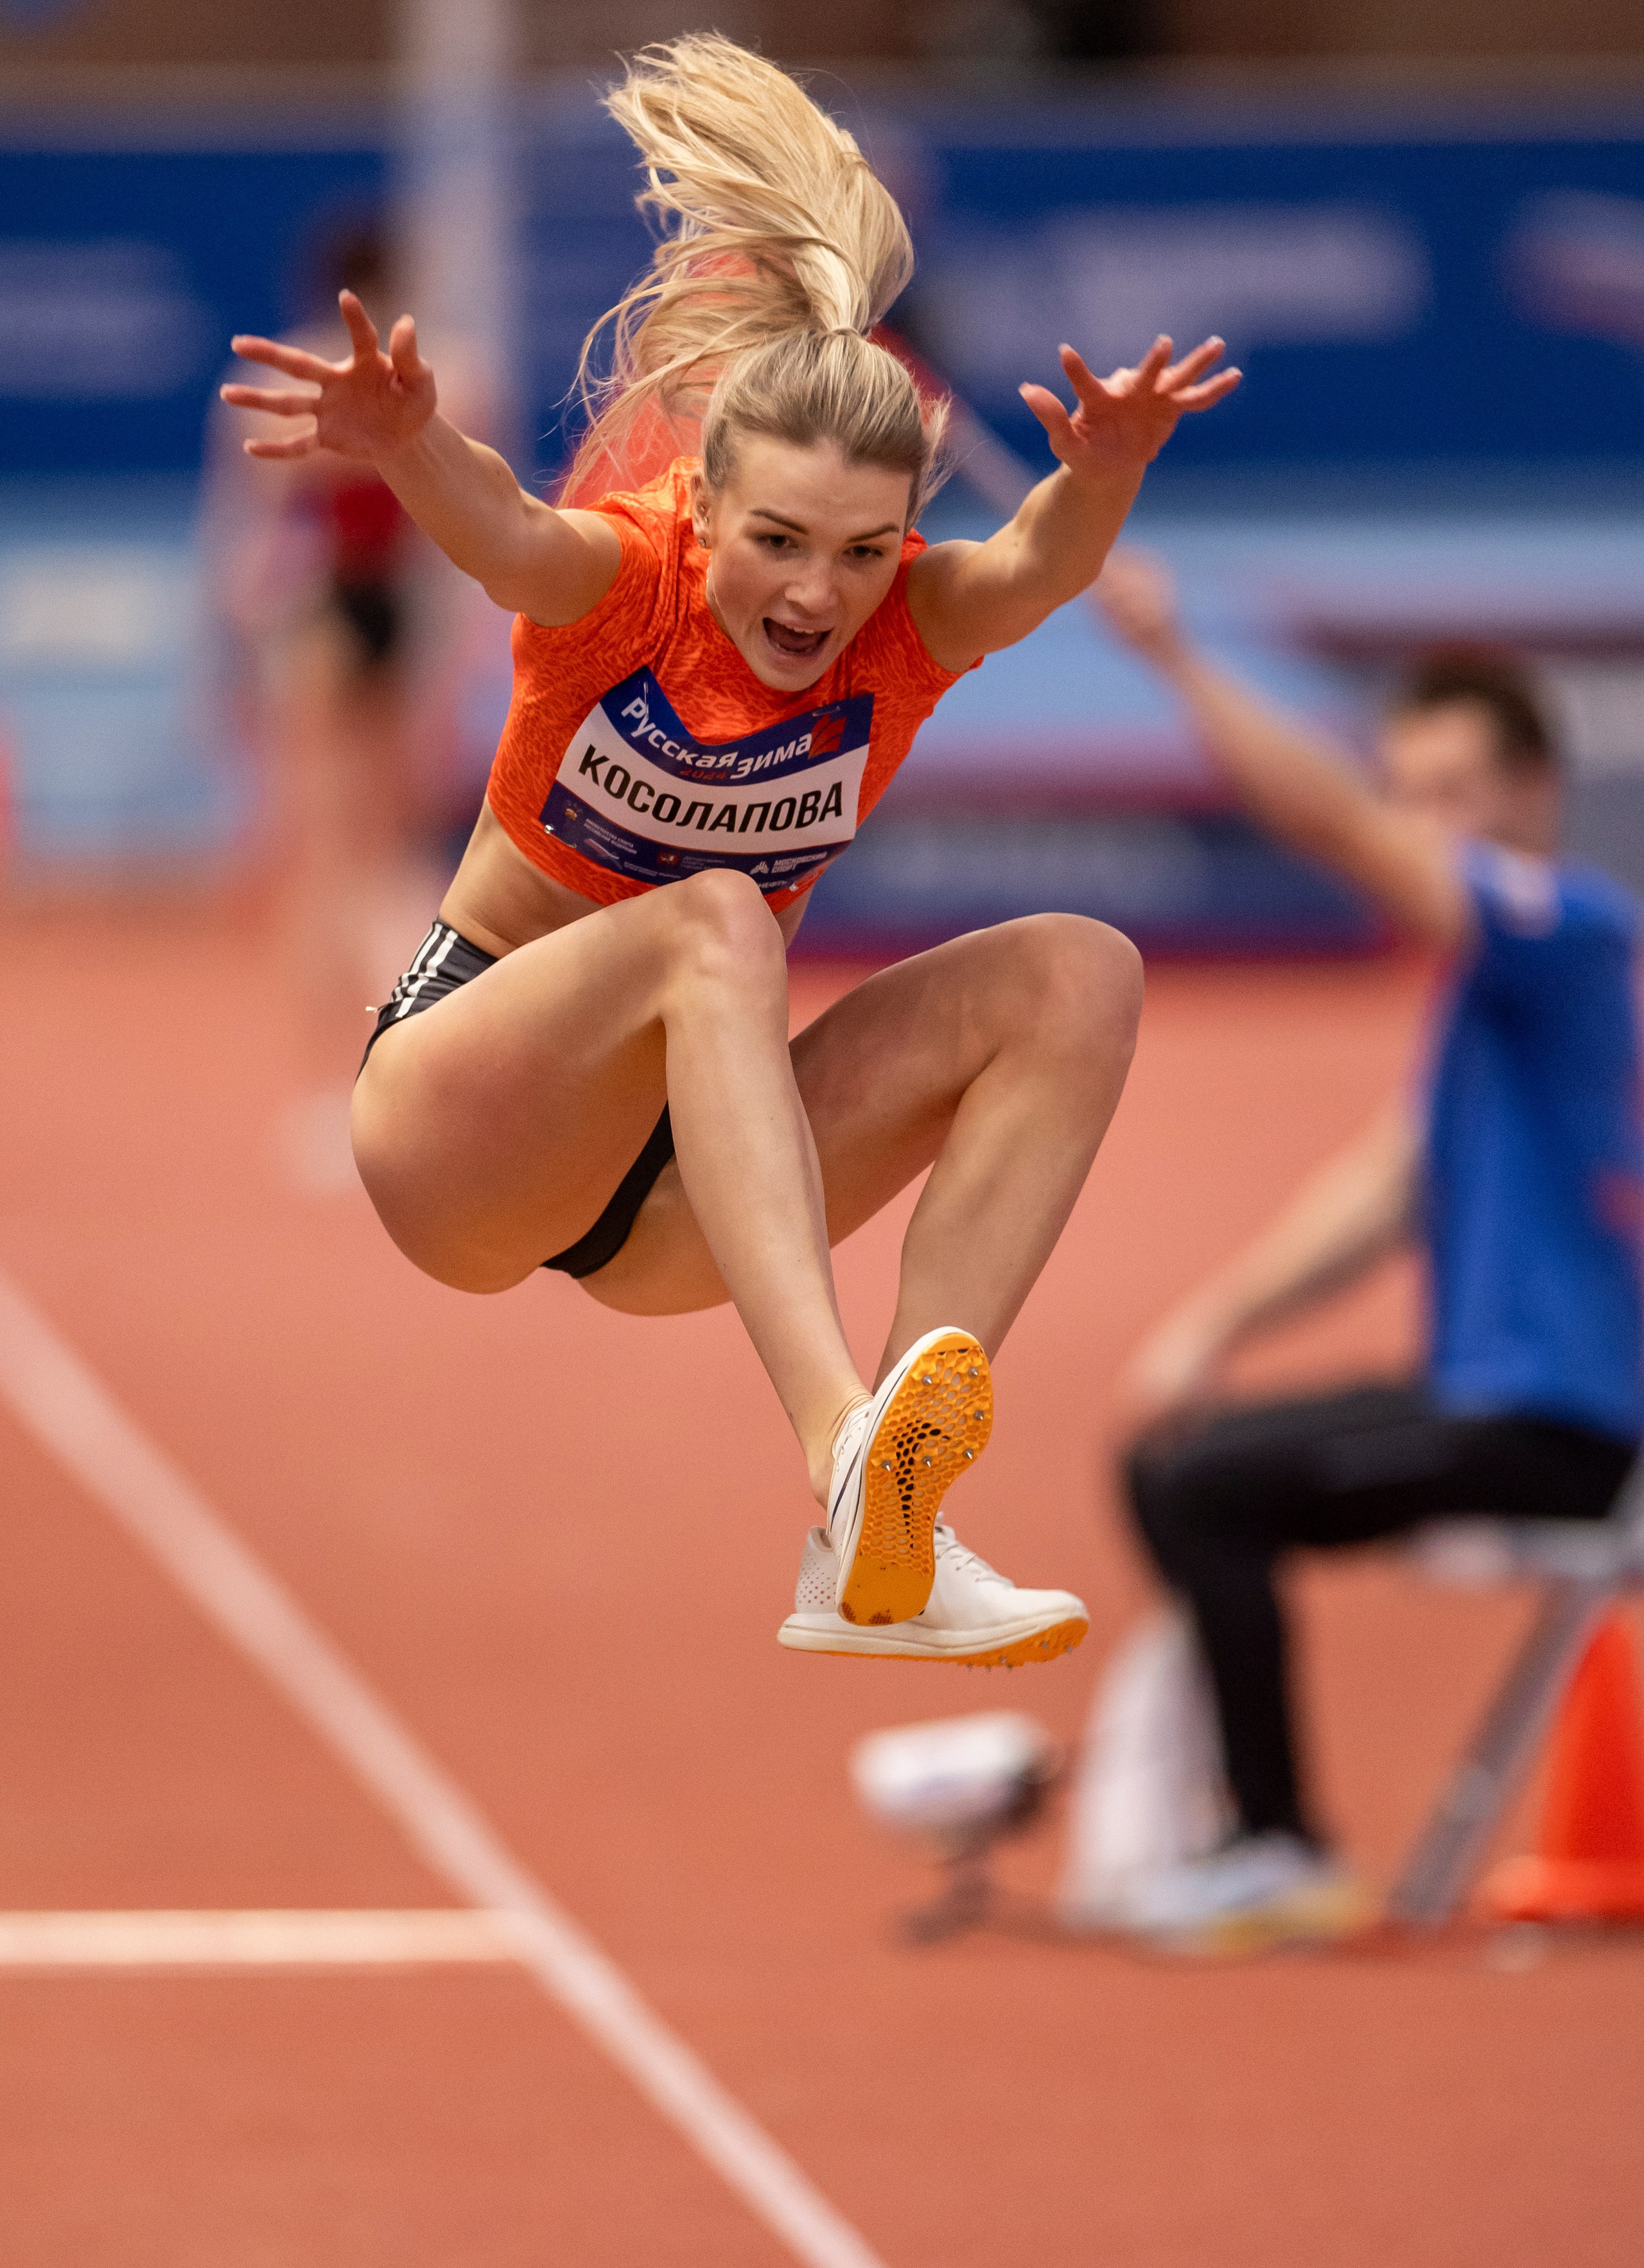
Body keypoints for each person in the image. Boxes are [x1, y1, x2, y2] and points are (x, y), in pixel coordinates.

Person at [220, 36, 1237, 1666]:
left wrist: (1097, 476)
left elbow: (1036, 563)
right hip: (465, 1113)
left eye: (855, 550)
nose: (812, 594)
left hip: (683, 1194)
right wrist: (408, 441)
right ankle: (838, 1445)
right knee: (712, 921)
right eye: (773, 541)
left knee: (1076, 974)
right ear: (702, 506)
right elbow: (495, 522)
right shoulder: (615, 578)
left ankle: (895, 1504)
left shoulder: (903, 625)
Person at [1081, 547, 1643, 1947]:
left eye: (1458, 796)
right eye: (1413, 796)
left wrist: (1173, 662)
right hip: (1491, 1396)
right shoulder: (1486, 998)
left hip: (1564, 1421)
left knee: (1203, 1490)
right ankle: (1254, 1835)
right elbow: (1383, 1190)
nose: (1428, 830)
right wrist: (1215, 1321)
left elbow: (1335, 831)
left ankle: (1274, 1848)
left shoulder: (1565, 931)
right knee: (1179, 1466)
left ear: (1533, 795)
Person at [201, 225, 487, 1191]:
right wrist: (449, 666)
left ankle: (343, 1090)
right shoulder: (449, 374)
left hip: (330, 606)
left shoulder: (307, 376)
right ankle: (385, 1086)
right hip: (376, 605)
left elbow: (240, 544)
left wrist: (232, 665)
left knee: (333, 861)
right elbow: (461, 541)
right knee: (374, 859)